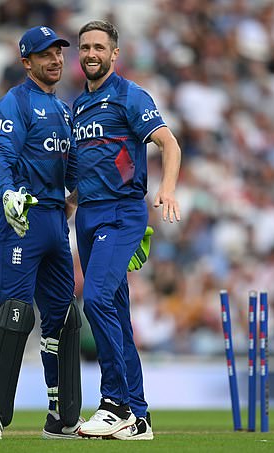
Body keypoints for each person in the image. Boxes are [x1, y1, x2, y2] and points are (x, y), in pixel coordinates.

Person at [69, 20, 181, 440]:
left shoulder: (131, 96)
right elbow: (82, 175)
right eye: (85, 47)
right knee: (114, 311)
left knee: (95, 298)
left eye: (99, 46)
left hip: (122, 213)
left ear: (114, 54)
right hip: (88, 215)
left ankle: (114, 404)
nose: (91, 53)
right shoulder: (77, 107)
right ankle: (140, 416)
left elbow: (169, 143)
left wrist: (167, 188)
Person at [0, 25, 82, 441]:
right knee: (17, 312)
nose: (55, 60)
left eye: (59, 53)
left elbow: (72, 170)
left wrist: (90, 203)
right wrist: (7, 194)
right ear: (26, 62)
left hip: (55, 221)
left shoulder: (65, 110)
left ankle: (62, 418)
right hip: (21, 216)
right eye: (45, 55)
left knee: (65, 317)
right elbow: (2, 156)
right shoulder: (14, 103)